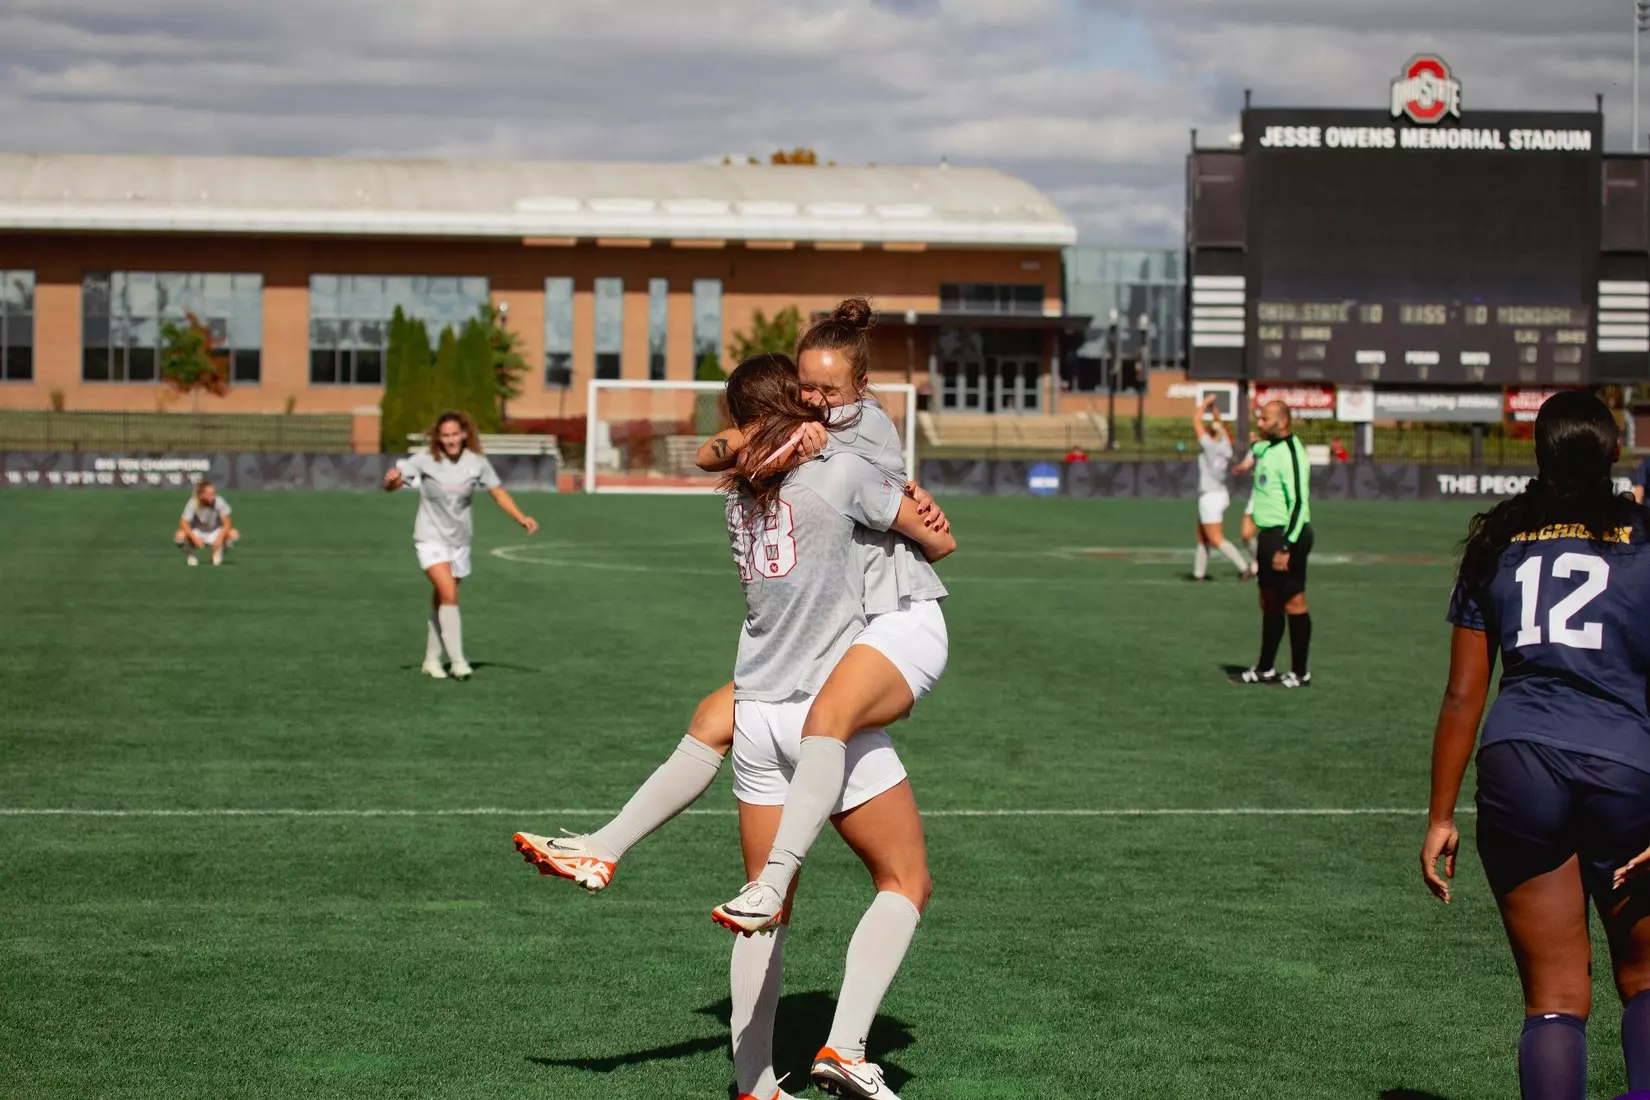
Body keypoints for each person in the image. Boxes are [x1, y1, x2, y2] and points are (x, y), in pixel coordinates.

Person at [511, 300, 950, 895]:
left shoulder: (860, 427)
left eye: (829, 389)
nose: (818, 399)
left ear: (861, 386)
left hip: (876, 613)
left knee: (824, 749)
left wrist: (908, 501)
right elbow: (710, 452)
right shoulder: (797, 441)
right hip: (832, 624)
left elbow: (935, 537)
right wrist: (781, 435)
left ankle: (766, 875)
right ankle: (603, 848)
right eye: (807, 387)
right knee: (714, 717)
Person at [719, 353, 953, 1100]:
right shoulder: (840, 470)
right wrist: (915, 508)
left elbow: (718, 452)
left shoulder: (738, 495)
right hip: (822, 708)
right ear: (796, 407)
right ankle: (846, 1047)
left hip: (757, 711)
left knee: (767, 913)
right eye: (807, 394)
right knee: (905, 879)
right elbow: (940, 542)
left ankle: (754, 1084)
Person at [1422, 391, 1650, 1100]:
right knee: (1646, 978)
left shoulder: (1498, 540)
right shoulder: (1643, 538)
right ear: (1615, 451)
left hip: (1517, 762)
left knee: (1553, 997)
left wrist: (1440, 816)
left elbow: (1463, 695)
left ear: (1539, 454)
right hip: (1626, 764)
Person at [382, 410, 537, 681]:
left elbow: (498, 493)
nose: (451, 440)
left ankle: (432, 659)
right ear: (438, 438)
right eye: (445, 435)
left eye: (455, 434)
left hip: (460, 541)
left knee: (443, 598)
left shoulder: (476, 463)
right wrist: (391, 481)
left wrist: (521, 517)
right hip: (430, 537)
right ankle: (458, 661)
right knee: (449, 594)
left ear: (464, 434)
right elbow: (394, 483)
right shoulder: (424, 460)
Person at [1239, 401, 1314, 687]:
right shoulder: (1268, 448)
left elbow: (1299, 503)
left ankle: (1300, 673)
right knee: (1268, 601)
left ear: (1282, 422)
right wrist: (1251, 448)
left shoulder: (1293, 453)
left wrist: (1286, 546)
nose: (1259, 423)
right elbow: (1257, 447)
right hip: (1268, 536)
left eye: (1265, 419)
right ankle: (1265, 668)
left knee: (1294, 602)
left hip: (1288, 535)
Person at [1191, 394, 1248, 581]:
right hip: (1220, 493)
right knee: (1202, 536)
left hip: (1210, 495)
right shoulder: (1225, 445)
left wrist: (1205, 403)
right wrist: (1214, 410)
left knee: (1215, 538)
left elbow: (1196, 421)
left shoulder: (1209, 445)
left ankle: (1244, 567)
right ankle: (1198, 573)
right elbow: (1220, 426)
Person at [173, 480, 238, 566]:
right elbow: (183, 523)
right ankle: (191, 555)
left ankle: (217, 552)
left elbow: (227, 523)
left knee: (234, 534)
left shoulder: (218, 501)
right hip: (197, 531)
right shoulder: (193, 503)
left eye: (213, 493)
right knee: (179, 536)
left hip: (214, 531)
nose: (212, 497)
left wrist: (219, 539)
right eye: (209, 494)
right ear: (201, 495)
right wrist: (194, 538)